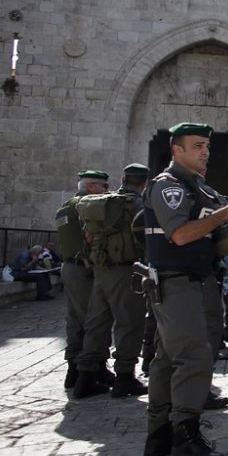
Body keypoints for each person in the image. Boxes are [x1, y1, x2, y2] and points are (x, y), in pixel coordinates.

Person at [141, 123, 228, 456]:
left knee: (168, 360)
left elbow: (218, 218)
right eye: (197, 146)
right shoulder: (169, 186)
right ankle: (186, 438)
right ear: (176, 149)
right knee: (194, 357)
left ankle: (160, 434)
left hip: (192, 281)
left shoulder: (200, 187)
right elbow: (180, 234)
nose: (205, 151)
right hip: (175, 281)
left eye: (207, 146)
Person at [73, 163, 150, 399]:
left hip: (101, 268)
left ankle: (85, 377)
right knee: (129, 323)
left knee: (97, 322)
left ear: (123, 178)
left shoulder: (104, 202)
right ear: (145, 183)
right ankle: (125, 377)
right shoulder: (138, 205)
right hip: (126, 270)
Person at [56, 169, 112, 390]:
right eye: (104, 187)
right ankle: (92, 371)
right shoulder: (86, 206)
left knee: (75, 320)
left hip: (70, 266)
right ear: (91, 187)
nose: (106, 191)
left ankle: (73, 370)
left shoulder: (66, 206)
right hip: (85, 269)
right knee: (95, 321)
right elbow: (90, 238)